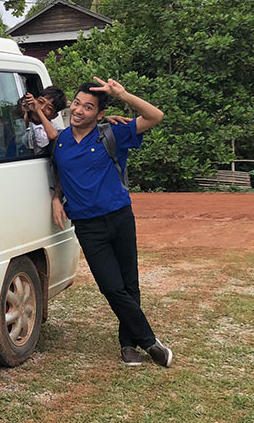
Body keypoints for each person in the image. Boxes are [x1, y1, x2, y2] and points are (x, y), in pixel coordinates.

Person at [51, 77, 172, 367]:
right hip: (88, 226)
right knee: (110, 286)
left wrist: (122, 94)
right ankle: (150, 341)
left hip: (120, 217)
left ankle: (128, 345)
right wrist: (56, 197)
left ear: (100, 113)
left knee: (129, 284)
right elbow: (61, 173)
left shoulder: (112, 134)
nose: (79, 110)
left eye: (88, 107)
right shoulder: (61, 141)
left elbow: (155, 116)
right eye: (77, 103)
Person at [21, 86, 67, 154]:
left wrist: (38, 110)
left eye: (49, 108)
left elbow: (52, 135)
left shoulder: (54, 129)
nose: (42, 108)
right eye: (40, 102)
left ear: (54, 116)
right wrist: (25, 111)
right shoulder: (24, 120)